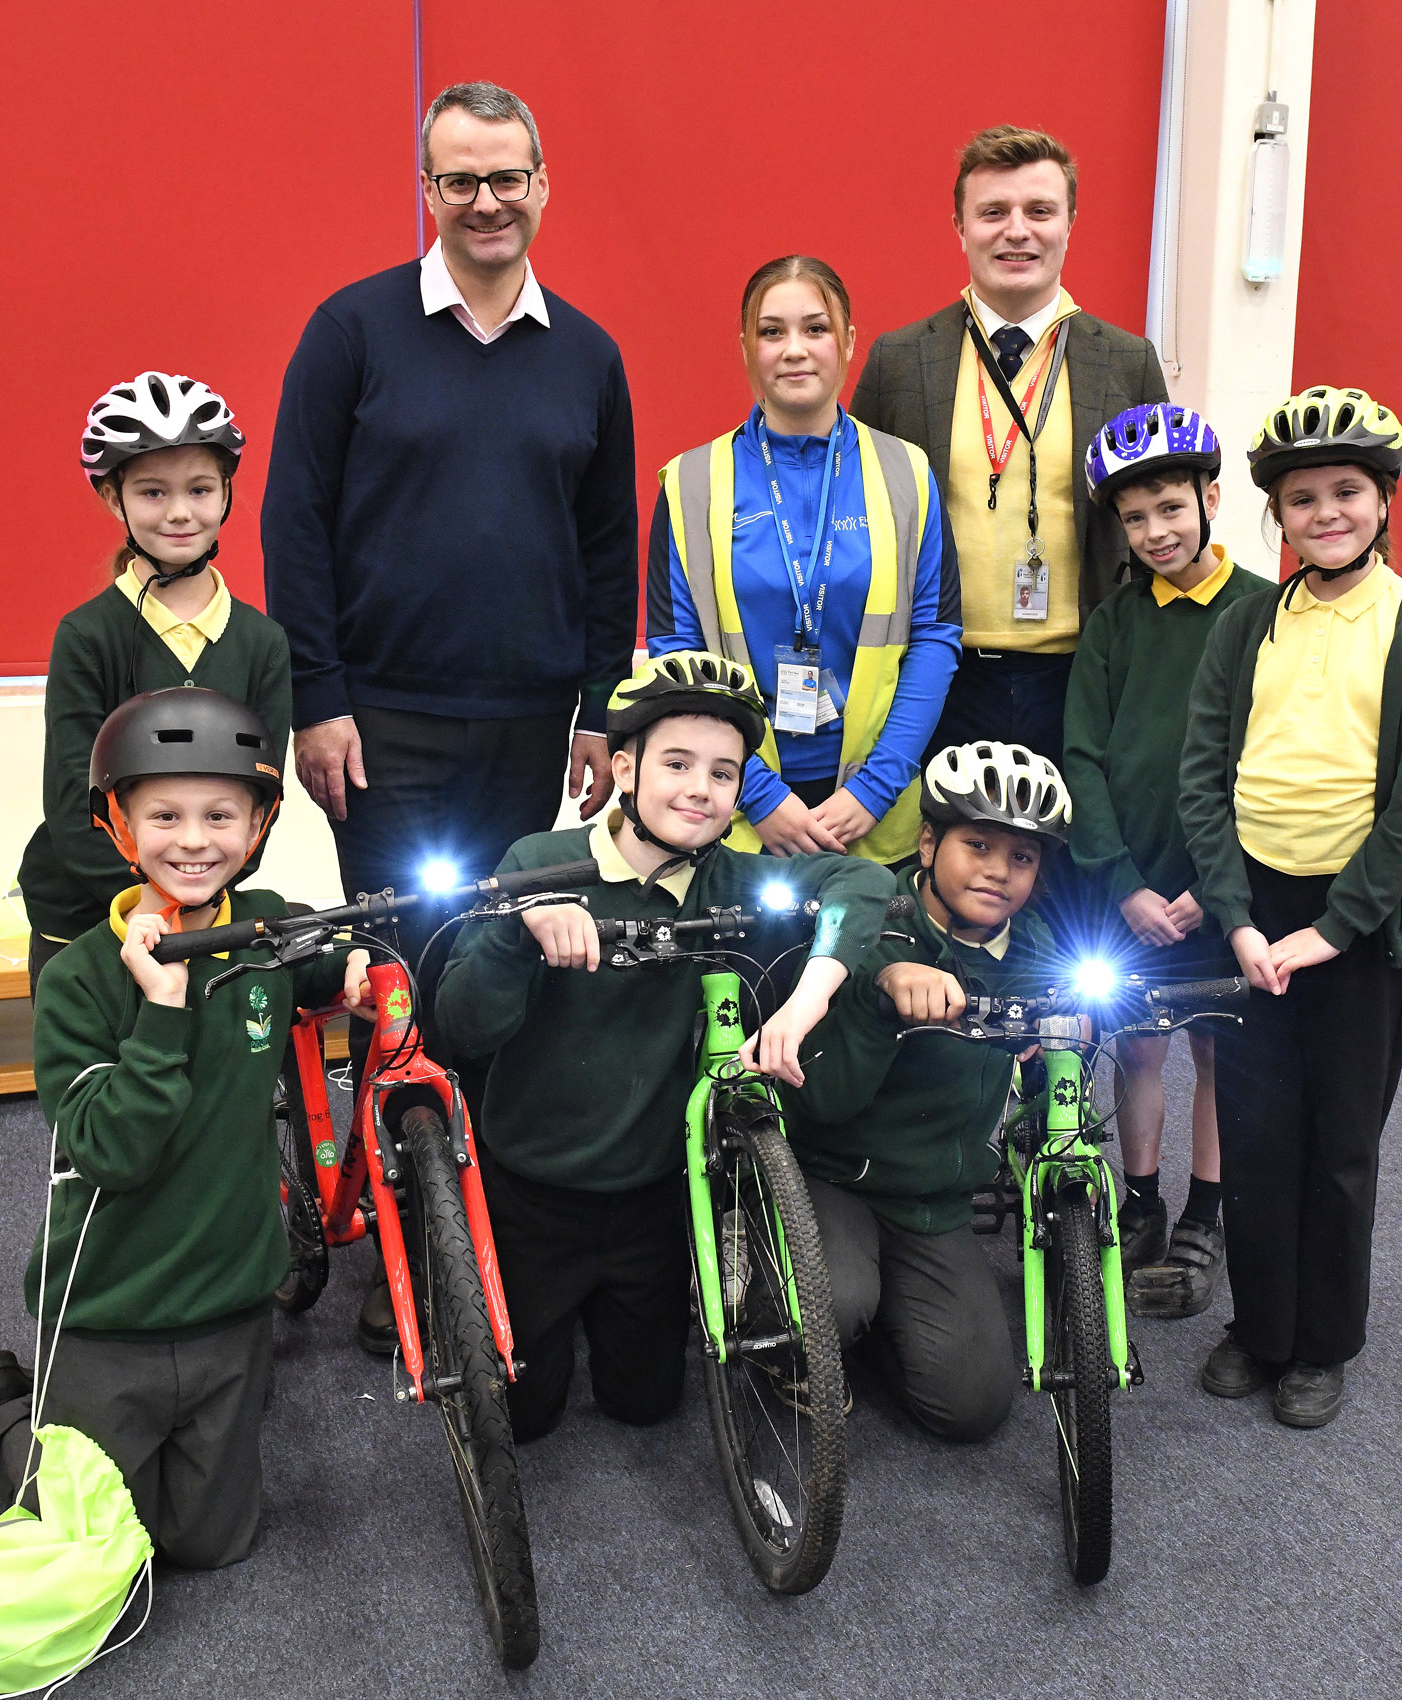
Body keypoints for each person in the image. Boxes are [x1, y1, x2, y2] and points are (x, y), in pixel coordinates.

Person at [262, 79, 639, 1350]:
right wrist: (318, 699)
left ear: (544, 185)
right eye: (459, 178)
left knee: (493, 965)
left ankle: (487, 1214)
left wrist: (596, 705)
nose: (486, 200)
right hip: (381, 729)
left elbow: (604, 545)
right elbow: (294, 523)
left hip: (528, 726)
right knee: (399, 980)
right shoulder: (353, 330)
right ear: (427, 190)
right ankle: (407, 1236)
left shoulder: (587, 354)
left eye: (507, 176)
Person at [433, 653, 893, 1442]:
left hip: (651, 1196)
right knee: (522, 1418)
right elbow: (462, 1030)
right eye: (675, 764)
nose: (699, 789)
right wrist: (519, 930)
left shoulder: (734, 881)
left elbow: (861, 882)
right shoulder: (539, 863)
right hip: (533, 1187)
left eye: (723, 773)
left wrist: (804, 1005)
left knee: (643, 1403)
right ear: (623, 766)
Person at [0, 689, 372, 1566]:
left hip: (230, 1300)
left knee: (211, 1546)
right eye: (165, 815)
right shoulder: (79, 981)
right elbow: (113, 1148)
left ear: (258, 825)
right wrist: (163, 1013)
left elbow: (327, 964)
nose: (194, 839)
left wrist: (358, 970)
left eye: (221, 814)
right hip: (110, 1305)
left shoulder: (266, 931)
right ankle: (6, 1409)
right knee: (99, 1548)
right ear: (118, 823)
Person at [1180, 387, 1402, 1428]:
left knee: (1340, 1137)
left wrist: (1334, 925)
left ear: (1384, 500)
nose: (1326, 513)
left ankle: (1322, 1340)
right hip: (1258, 911)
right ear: (1278, 514)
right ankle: (1260, 1327)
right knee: (1259, 1128)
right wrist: (1240, 916)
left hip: (1358, 919)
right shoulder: (1252, 620)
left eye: (1347, 491)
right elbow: (1203, 775)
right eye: (1302, 498)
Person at [850, 125, 1169, 771]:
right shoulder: (899, 362)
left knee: (1070, 868)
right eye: (992, 212)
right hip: (935, 676)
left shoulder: (1126, 364)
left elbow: (1161, 525)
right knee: (945, 866)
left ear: (1069, 224)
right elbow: (858, 526)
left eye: (1039, 211)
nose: (1016, 231)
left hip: (1082, 678)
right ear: (959, 227)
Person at [786, 742, 1068, 1440]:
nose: (998, 871)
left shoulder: (1034, 948)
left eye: (1022, 858)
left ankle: (885, 1321)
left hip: (933, 1197)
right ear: (926, 840)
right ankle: (804, 1311)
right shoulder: (866, 921)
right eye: (976, 845)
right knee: (833, 1302)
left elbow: (1046, 1080)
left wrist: (1067, 1038)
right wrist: (881, 993)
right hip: (834, 1172)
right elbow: (818, 1101)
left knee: (970, 1408)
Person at [1063, 404, 1273, 1318]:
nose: (1153, 532)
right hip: (1134, 890)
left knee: (1218, 1052)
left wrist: (1205, 890)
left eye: (1169, 509)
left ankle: (1206, 1215)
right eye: (1134, 517)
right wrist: (1125, 884)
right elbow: (1084, 758)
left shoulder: (1261, 612)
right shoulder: (1113, 626)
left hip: (1218, 891)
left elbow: (1263, 761)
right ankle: (1141, 1199)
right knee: (1138, 1045)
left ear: (1210, 498)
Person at [646, 255, 960, 864]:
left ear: (848, 342)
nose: (795, 349)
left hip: (872, 813)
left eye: (815, 329)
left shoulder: (907, 472)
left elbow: (935, 637)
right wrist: (756, 795)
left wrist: (874, 788)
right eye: (772, 331)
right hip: (735, 817)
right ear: (746, 348)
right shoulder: (690, 482)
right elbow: (676, 652)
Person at [17, 373, 291, 997]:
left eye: (199, 489)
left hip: (201, 911)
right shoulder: (88, 636)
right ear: (114, 499)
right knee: (93, 1087)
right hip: (85, 914)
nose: (178, 512)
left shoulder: (263, 643)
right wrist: (141, 904)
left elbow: (263, 801)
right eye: (151, 492)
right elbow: (70, 801)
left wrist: (192, 901)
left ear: (226, 491)